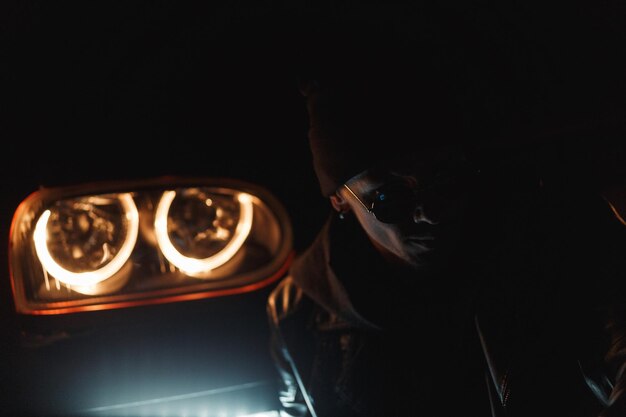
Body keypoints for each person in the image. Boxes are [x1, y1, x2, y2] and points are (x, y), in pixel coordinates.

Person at [267, 9, 626, 417]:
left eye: (444, 179)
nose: (430, 214)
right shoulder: (295, 313)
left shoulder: (558, 238)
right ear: (339, 199)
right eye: (389, 199)